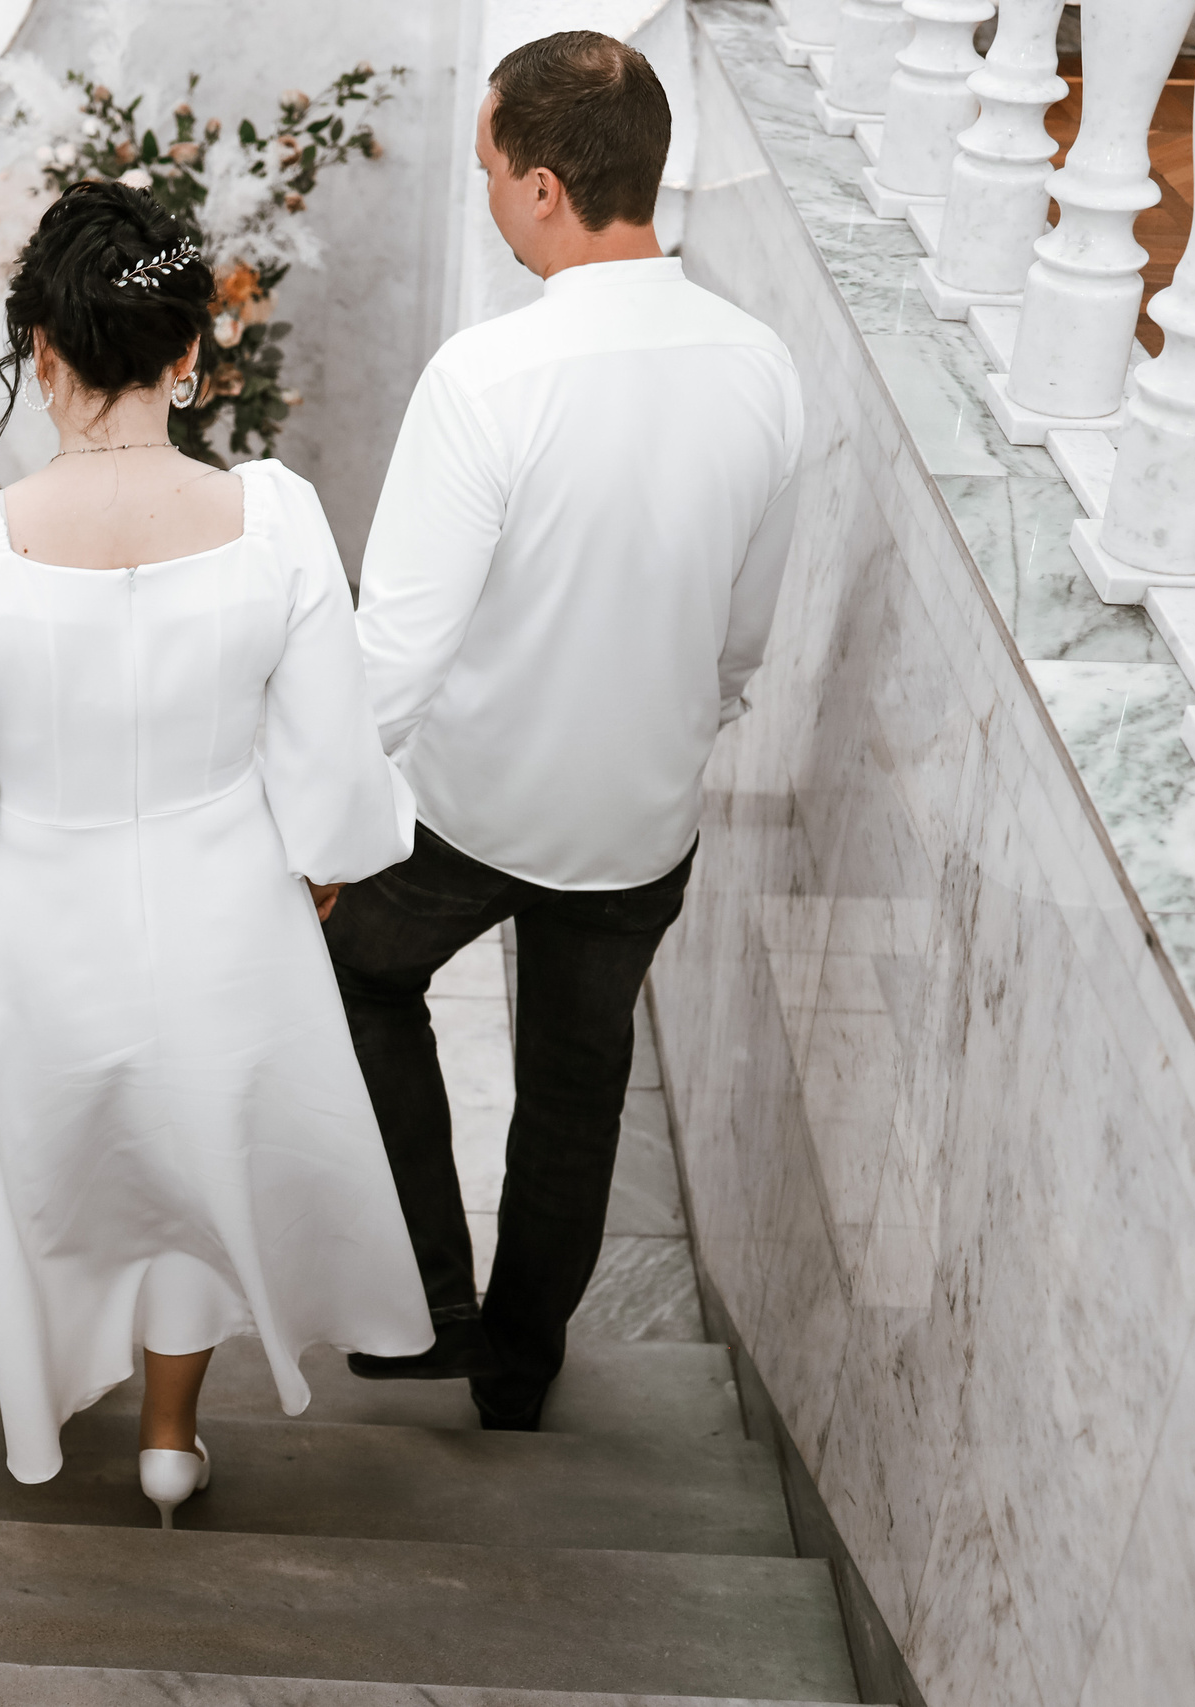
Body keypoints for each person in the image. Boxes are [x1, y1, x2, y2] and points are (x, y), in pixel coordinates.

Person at [0, 180, 433, 1521]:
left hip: (33, 919)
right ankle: (173, 1439)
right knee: (196, 1161)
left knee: (57, 1165)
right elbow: (334, 763)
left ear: (38, 352)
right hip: (225, 901)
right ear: (189, 354)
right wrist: (327, 856)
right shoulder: (274, 520)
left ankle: (59, 1413)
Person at [321, 31, 805, 1431]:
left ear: (541, 187)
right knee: (578, 1091)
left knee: (353, 975)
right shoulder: (765, 367)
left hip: (467, 813)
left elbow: (394, 658)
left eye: (488, 170)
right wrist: (665, 727)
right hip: (641, 823)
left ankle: (428, 1303)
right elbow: (745, 632)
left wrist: (314, 829)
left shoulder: (487, 378)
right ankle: (519, 1372)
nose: (487, 196)